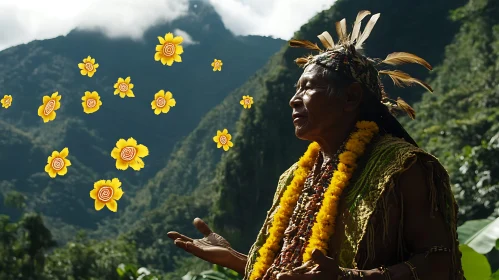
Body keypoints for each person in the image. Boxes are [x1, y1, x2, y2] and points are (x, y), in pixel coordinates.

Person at [167, 11, 465, 280]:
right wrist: (234, 259)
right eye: (296, 89)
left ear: (350, 97)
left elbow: (439, 262)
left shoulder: (406, 167)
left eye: (308, 88)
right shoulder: (293, 177)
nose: (294, 100)